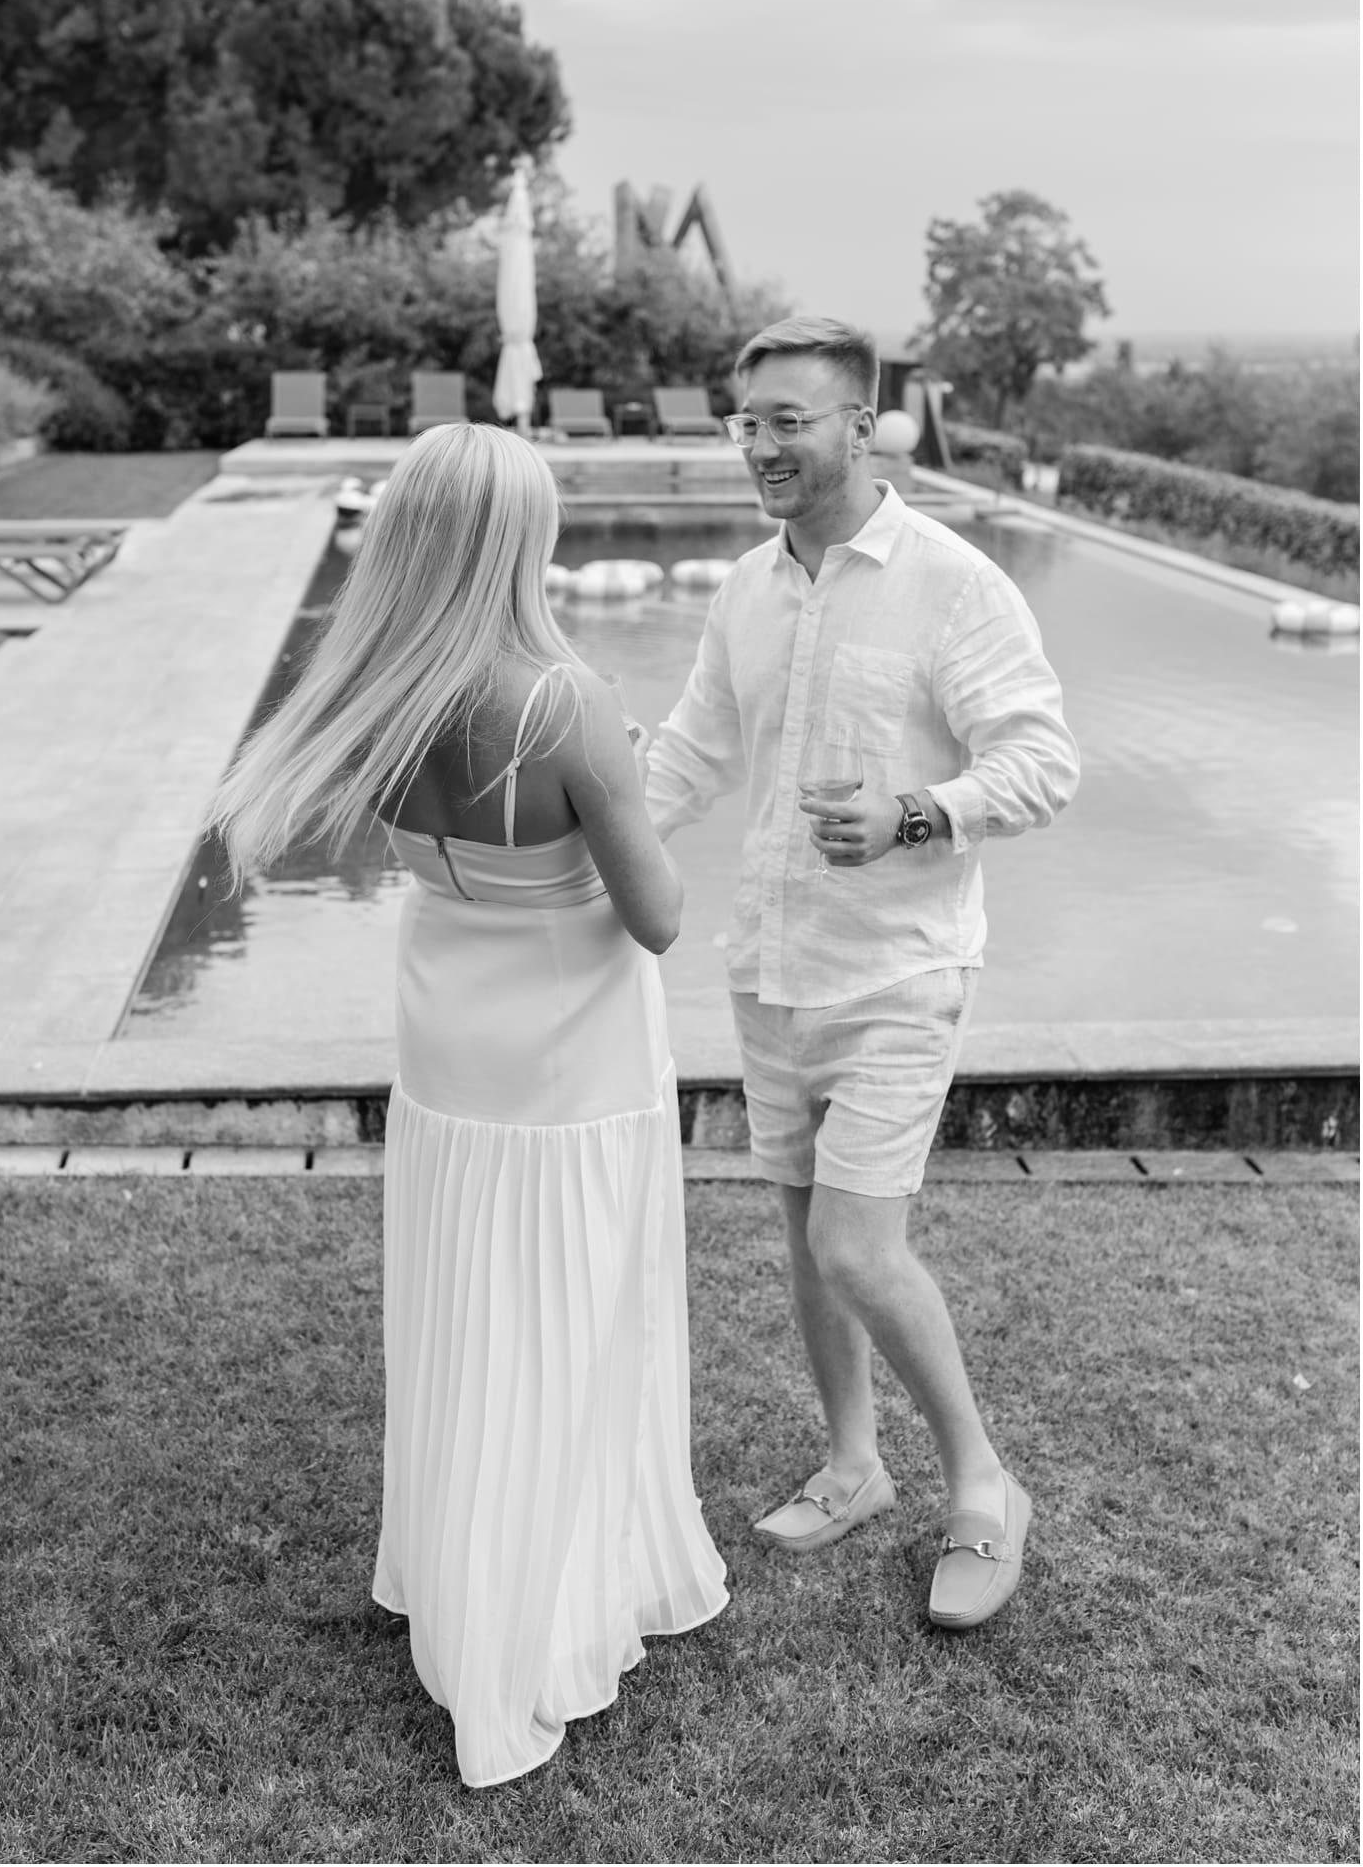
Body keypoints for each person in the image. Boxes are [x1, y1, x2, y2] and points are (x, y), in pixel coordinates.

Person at [210, 423, 727, 1786]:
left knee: (470, 1322)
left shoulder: (374, 692)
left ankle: (459, 1576)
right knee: (564, 1329)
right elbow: (657, 918)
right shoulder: (561, 701)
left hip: (449, 1068)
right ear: (519, 538)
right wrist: (645, 780)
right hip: (571, 1078)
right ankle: (532, 1623)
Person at [644, 315, 1079, 1630]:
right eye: (747, 420)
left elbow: (1043, 763)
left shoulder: (952, 583)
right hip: (769, 969)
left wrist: (915, 812)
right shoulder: (744, 588)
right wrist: (578, 842)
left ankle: (985, 1484)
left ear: (863, 424)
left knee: (854, 1239)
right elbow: (687, 754)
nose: (763, 444)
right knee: (801, 1231)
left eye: (789, 419)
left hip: (898, 972)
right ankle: (852, 1464)